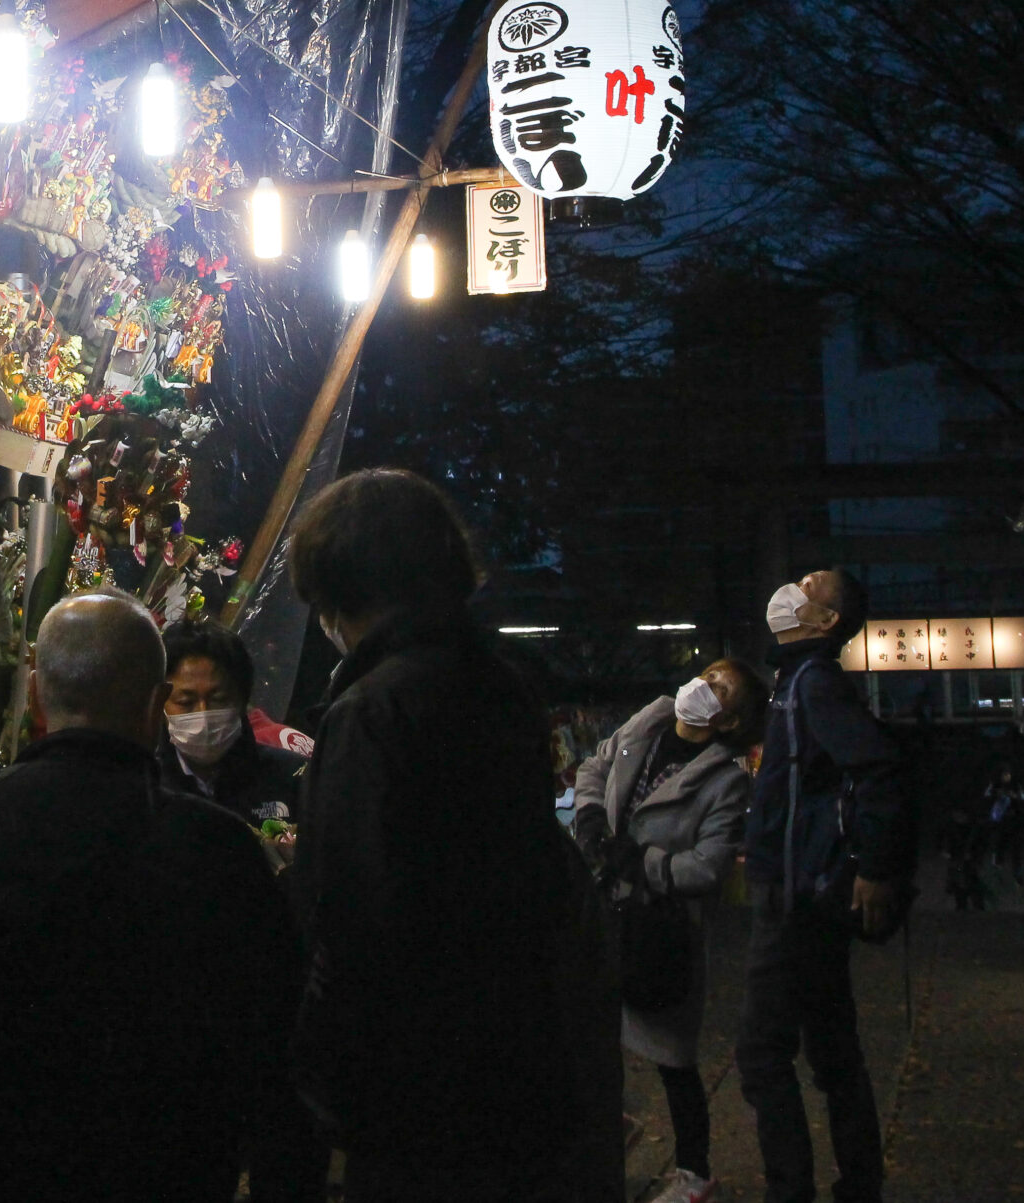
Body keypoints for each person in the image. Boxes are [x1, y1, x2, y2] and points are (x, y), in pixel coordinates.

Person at [0, 593, 306, 1203]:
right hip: (167, 1170)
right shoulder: (218, 849)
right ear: (156, 706)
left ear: (35, 694)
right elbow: (270, 1039)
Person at [286, 468, 618, 1202]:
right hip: (517, 1067)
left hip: (414, 1095)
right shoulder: (500, 688)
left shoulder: (371, 710)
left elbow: (352, 918)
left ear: (336, 582)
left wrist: (319, 1081)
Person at [738, 570, 908, 1203]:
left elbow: (877, 768)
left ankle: (791, 1190)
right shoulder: (799, 681)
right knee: (834, 1050)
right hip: (809, 887)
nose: (788, 589)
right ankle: (859, 1185)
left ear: (827, 620)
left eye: (807, 585)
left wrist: (874, 866)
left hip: (798, 898)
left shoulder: (813, 685)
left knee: (761, 1055)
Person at [572, 658, 767, 1203]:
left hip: (661, 928)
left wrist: (643, 862)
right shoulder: (649, 722)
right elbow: (594, 767)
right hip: (602, 913)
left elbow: (708, 867)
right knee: (591, 1039)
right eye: (707, 674)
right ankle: (608, 1137)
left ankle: (693, 1174)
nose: (703, 685)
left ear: (729, 721)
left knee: (672, 1056)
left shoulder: (724, 779)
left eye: (720, 688)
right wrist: (589, 819)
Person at [157, 625, 306, 829]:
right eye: (185, 702)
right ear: (160, 702)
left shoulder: (293, 776)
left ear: (242, 700)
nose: (203, 714)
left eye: (219, 699)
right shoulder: (147, 791)